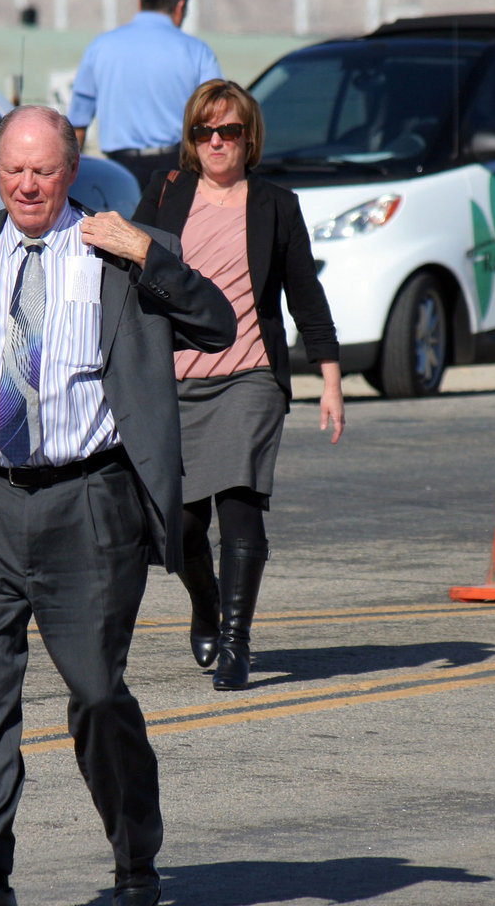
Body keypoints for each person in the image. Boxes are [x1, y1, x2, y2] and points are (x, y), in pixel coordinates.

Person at [0, 105, 236, 906]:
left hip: (90, 506)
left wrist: (149, 255)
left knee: (98, 693)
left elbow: (216, 324)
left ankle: (136, 859)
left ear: (72, 171)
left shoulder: (123, 250)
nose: (26, 185)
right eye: (12, 169)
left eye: (43, 171)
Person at [130, 78, 345, 691]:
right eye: (204, 132)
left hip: (251, 377)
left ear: (248, 137)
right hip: (175, 383)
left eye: (228, 131)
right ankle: (207, 604)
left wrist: (329, 380)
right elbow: (130, 268)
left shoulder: (276, 203)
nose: (216, 142)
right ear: (191, 140)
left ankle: (236, 643)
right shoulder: (168, 193)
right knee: (185, 527)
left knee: (242, 512)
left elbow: (305, 294)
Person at [67, 0, 222, 190]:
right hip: (178, 168)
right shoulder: (198, 51)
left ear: (140, 3)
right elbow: (217, 115)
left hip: (118, 169)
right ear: (181, 7)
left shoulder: (100, 47)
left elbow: (77, 126)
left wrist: (71, 183)